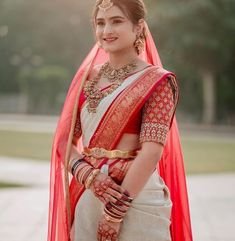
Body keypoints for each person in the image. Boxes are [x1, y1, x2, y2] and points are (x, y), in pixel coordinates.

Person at [47, 0, 193, 241]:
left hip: (136, 200)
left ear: (138, 27)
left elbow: (151, 153)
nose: (106, 31)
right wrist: (90, 176)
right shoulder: (87, 79)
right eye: (100, 23)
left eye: (116, 21)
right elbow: (64, 141)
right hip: (90, 194)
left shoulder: (157, 82)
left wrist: (114, 214)